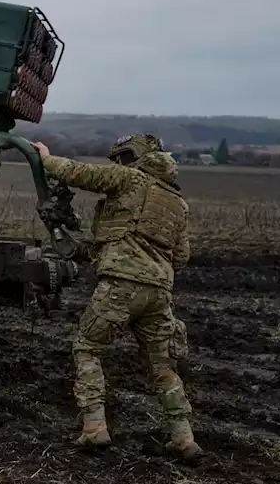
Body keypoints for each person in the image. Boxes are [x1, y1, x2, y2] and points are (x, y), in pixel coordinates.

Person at [32, 134, 203, 460]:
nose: (120, 163)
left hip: (122, 287)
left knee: (87, 348)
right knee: (162, 365)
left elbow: (78, 173)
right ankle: (183, 437)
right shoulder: (177, 203)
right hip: (159, 293)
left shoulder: (129, 179)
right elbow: (179, 258)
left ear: (134, 157)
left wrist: (45, 158)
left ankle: (95, 428)